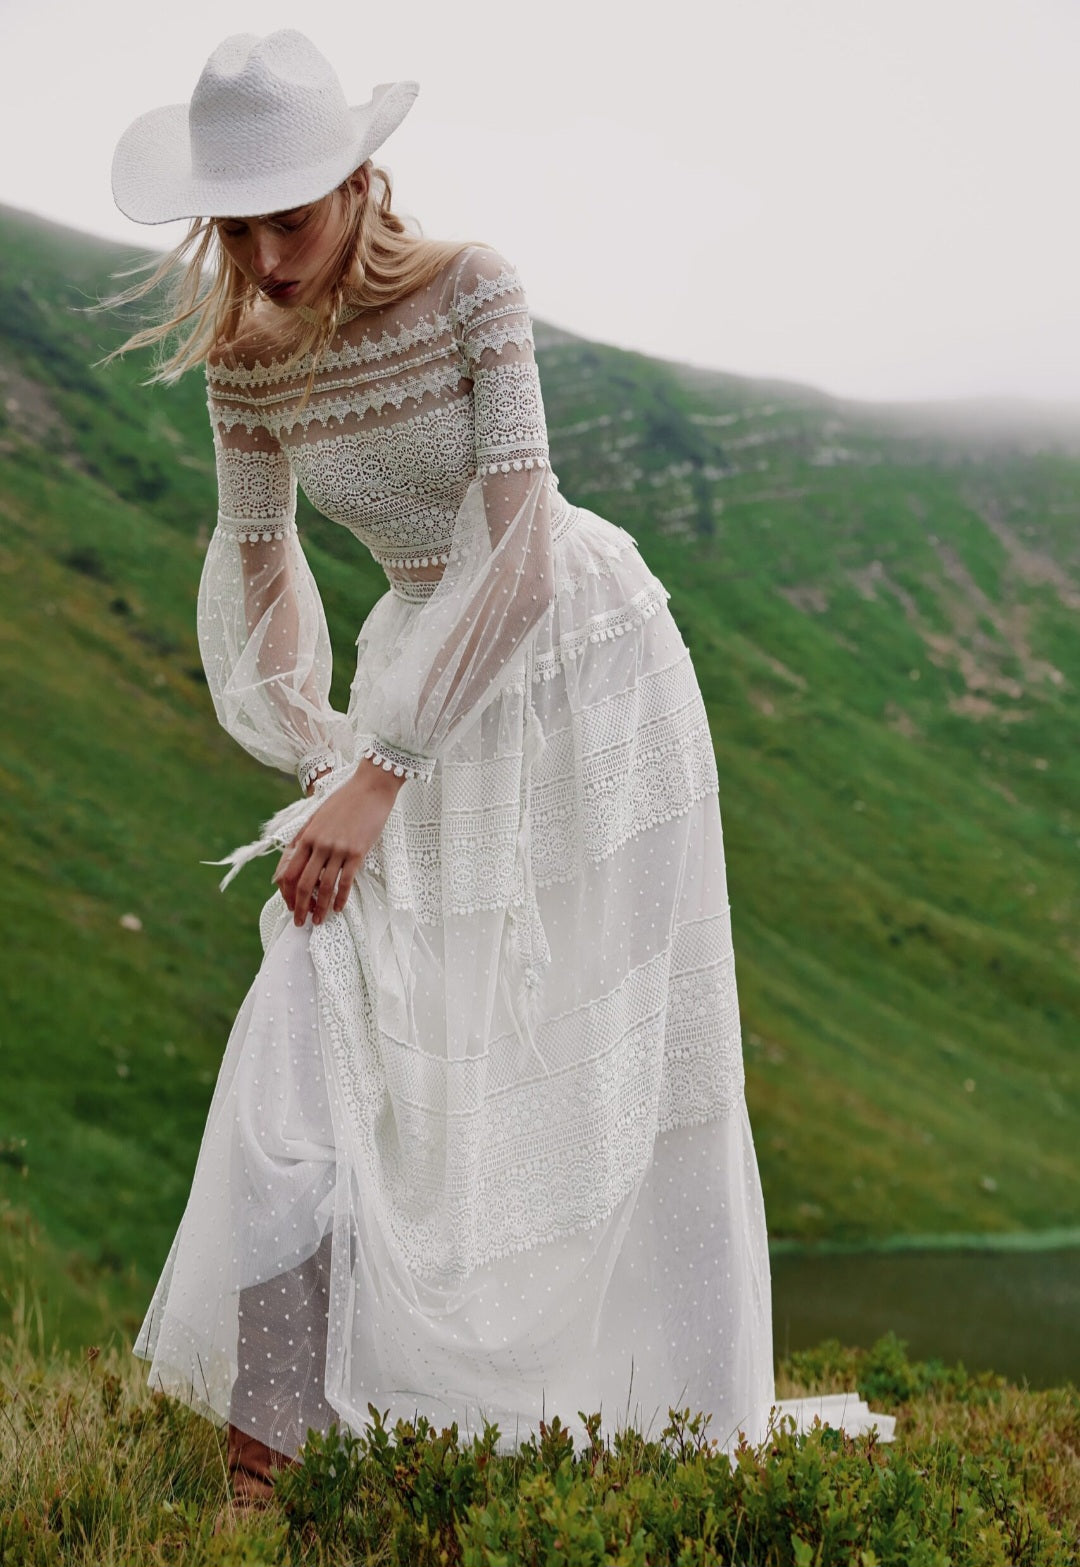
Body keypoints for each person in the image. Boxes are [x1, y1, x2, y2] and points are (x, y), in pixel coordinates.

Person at [110, 30, 887, 1505]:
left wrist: (382, 768)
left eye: (292, 215)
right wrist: (312, 742)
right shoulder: (243, 363)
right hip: (412, 690)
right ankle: (268, 1461)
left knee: (592, 1044)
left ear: (356, 179)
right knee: (309, 1014)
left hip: (583, 674)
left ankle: (659, 1410)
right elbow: (260, 565)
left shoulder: (476, 289)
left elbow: (520, 548)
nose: (267, 255)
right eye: (241, 224)